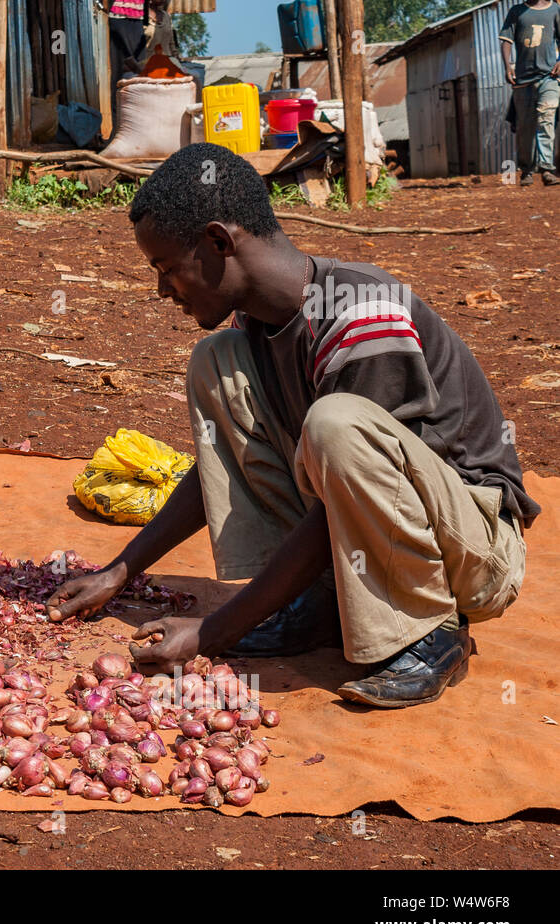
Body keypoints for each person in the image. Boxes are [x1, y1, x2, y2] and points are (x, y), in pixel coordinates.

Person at [47, 143, 538, 708]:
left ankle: (428, 630)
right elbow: (218, 469)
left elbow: (340, 490)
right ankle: (324, 601)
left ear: (217, 242)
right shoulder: (256, 327)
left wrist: (214, 631)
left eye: (165, 268)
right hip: (374, 531)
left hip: (473, 552)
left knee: (336, 424)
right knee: (217, 361)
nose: (162, 290)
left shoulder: (362, 313)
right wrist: (120, 571)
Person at [499, 0, 560, 186]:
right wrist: (507, 65)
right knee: (525, 127)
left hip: (549, 77)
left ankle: (547, 169)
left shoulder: (555, 10)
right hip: (523, 79)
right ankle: (526, 170)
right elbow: (506, 40)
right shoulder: (517, 11)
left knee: (546, 119)